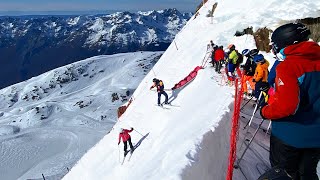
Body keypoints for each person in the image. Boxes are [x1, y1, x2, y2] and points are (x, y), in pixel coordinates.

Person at [260, 22, 320, 179]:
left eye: (275, 45)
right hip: (316, 137)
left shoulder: (288, 66)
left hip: (289, 136)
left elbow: (286, 107)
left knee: (284, 174)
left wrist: (265, 111)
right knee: (308, 173)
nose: (273, 49)